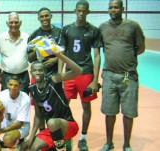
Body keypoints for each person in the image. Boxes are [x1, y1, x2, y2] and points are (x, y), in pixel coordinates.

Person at [99, 0, 145, 151]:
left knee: (129, 112)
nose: (113, 9)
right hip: (109, 76)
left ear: (122, 8)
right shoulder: (103, 27)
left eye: (116, 7)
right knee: (109, 112)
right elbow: (101, 49)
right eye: (110, 7)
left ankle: (126, 144)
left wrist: (128, 58)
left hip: (128, 76)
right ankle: (109, 143)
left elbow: (141, 47)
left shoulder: (133, 26)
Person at [59, 1, 102, 150]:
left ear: (88, 12)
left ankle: (83, 138)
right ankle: (66, 137)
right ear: (75, 11)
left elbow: (97, 56)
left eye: (84, 11)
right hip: (70, 73)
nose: (81, 13)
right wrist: (60, 74)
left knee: (86, 106)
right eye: (79, 11)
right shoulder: (66, 29)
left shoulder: (94, 30)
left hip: (86, 73)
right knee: (64, 106)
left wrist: (96, 80)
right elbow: (61, 53)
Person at [24, 45, 83, 151]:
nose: (37, 72)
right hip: (52, 130)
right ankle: (61, 143)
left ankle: (62, 147)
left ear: (45, 71)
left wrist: (59, 55)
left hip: (68, 125)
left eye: (40, 70)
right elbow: (38, 116)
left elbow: (78, 71)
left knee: (52, 122)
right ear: (31, 72)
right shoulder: (32, 89)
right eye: (35, 70)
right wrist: (30, 138)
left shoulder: (54, 80)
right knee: (32, 148)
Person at [0, 75, 31, 151]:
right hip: (6, 123)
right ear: (7, 84)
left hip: (21, 126)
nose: (12, 88)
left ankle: (21, 141)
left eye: (15, 85)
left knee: (7, 140)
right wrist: (1, 112)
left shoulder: (25, 98)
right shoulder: (1, 95)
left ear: (20, 86)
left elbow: (19, 123)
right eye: (10, 85)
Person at [0, 12, 30, 94]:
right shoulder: (0, 38)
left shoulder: (27, 38)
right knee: (5, 102)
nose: (14, 25)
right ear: (7, 23)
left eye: (16, 22)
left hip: (23, 76)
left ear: (20, 23)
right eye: (11, 22)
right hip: (6, 76)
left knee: (23, 101)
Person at [28, 7, 62, 78]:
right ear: (38, 19)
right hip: (38, 74)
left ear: (51, 16)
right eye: (41, 17)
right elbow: (30, 59)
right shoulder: (34, 35)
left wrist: (55, 59)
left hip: (55, 73)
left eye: (46, 16)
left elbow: (66, 52)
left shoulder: (60, 32)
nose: (44, 18)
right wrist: (38, 47)